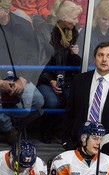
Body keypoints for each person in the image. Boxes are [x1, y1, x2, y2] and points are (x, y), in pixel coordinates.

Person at [62, 41, 109, 160]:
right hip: (78, 147)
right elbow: (69, 114)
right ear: (94, 58)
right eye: (100, 55)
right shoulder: (80, 80)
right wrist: (67, 143)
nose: (104, 59)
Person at [37, 0, 82, 143]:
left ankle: (67, 135)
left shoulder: (74, 32)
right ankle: (45, 132)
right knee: (53, 101)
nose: (76, 22)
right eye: (74, 18)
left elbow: (75, 65)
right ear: (64, 18)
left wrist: (74, 55)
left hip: (66, 79)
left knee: (75, 99)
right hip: (44, 77)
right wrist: (50, 80)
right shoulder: (45, 30)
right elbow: (39, 61)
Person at [0, 0, 44, 145]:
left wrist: (23, 79)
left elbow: (33, 56)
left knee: (38, 101)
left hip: (20, 76)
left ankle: (13, 122)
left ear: (6, 11)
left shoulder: (23, 26)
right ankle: (7, 130)